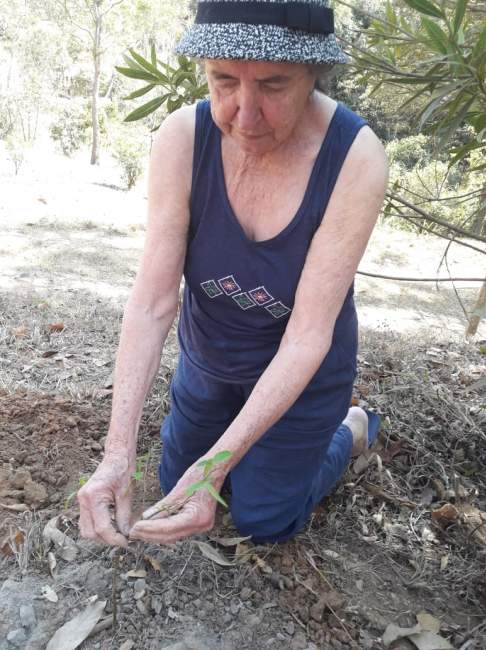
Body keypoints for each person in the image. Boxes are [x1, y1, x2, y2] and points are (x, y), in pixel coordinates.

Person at [78, 0, 388, 547]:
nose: (243, 115)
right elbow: (152, 303)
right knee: (175, 486)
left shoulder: (355, 158)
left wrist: (218, 465)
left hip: (303, 376)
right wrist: (116, 454)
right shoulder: (183, 138)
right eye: (223, 80)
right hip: (210, 359)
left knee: (262, 519)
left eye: (273, 85)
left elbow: (308, 335)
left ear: (313, 75)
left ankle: (350, 428)